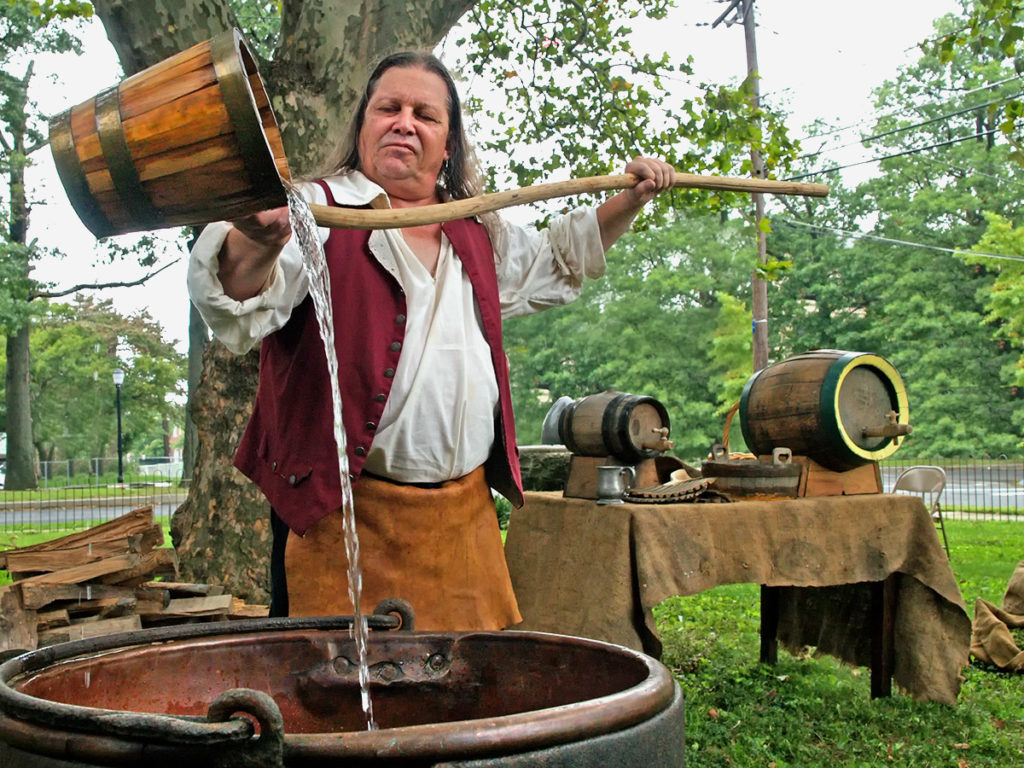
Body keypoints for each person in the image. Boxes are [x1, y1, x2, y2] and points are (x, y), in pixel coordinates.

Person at [188, 51, 675, 630]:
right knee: (333, 699)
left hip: (462, 519)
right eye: (388, 108)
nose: (404, 122)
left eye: (425, 114)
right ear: (363, 125)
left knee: (464, 697)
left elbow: (557, 261)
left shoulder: (478, 226)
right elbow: (236, 293)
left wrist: (631, 198)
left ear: (448, 144)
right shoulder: (312, 209)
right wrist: (259, 240)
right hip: (338, 517)